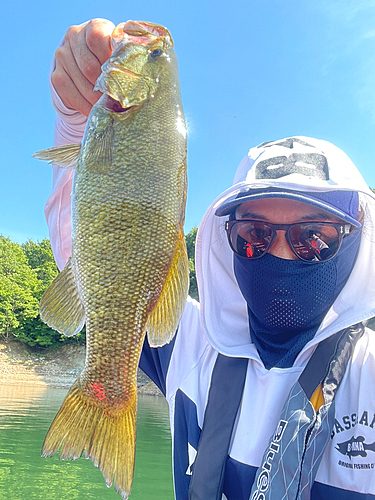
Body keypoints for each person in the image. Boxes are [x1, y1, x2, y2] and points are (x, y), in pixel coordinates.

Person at [46, 19, 375, 500]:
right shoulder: (194, 345)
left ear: (358, 241)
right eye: (253, 234)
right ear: (226, 240)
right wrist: (75, 119)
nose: (280, 253)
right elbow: (93, 255)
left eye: (313, 237)